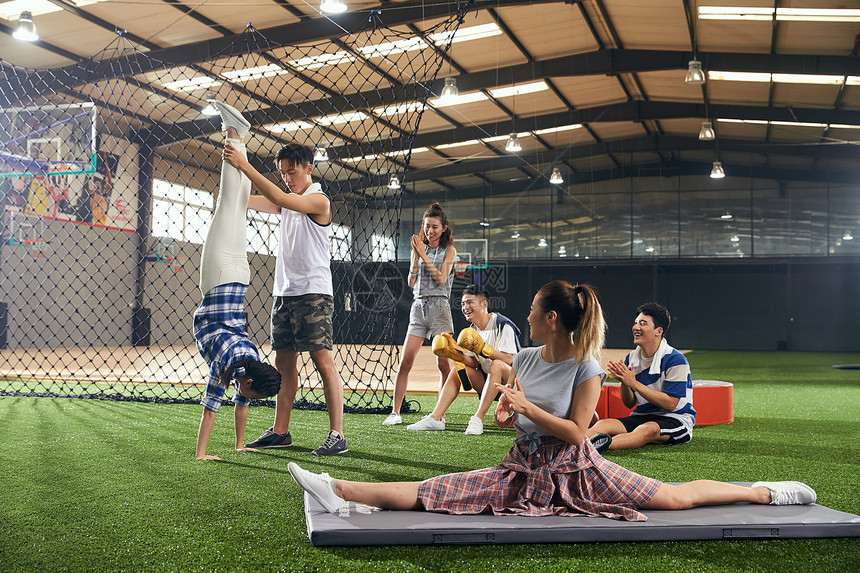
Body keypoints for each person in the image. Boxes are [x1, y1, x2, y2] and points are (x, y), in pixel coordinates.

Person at [287, 280, 816, 518]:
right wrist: (499, 404)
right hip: (522, 467)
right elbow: (501, 406)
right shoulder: (525, 359)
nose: (529, 316)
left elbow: (578, 433)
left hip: (580, 469)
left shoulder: (586, 367)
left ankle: (768, 494)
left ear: (553, 319)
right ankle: (337, 490)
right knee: (439, 489)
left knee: (675, 498)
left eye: (536, 311)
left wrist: (528, 409)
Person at [220, 105, 347, 456]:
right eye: (283, 173)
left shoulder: (317, 199)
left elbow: (277, 197)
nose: (287, 177)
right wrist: (230, 183)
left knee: (323, 361)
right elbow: (251, 200)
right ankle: (281, 431)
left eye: (292, 171)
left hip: (314, 294)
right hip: (285, 293)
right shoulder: (289, 201)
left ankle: (337, 434)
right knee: (284, 364)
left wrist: (243, 164)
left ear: (309, 169)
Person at [194, 100, 282, 461]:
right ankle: (234, 132)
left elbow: (240, 403)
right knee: (227, 205)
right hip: (218, 280)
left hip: (239, 280)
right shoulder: (231, 362)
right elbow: (210, 408)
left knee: (235, 204)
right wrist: (201, 454)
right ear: (248, 383)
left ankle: (239, 134)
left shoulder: (251, 362)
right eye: (251, 393)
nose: (248, 399)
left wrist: (238, 445)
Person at [407, 284, 521, 435]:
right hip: (491, 383)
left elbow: (510, 359)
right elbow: (474, 363)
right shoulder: (472, 330)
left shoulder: (502, 324)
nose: (465, 307)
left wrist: (484, 349)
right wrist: (454, 354)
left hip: (514, 385)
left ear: (484, 304)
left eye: (469, 302)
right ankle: (436, 418)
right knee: (457, 371)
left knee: (497, 364)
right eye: (463, 303)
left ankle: (478, 419)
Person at [382, 203, 456, 426]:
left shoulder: (449, 250)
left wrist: (423, 256)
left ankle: (438, 415)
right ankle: (395, 412)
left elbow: (441, 279)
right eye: (426, 226)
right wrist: (415, 260)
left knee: (443, 365)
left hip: (440, 309)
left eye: (434, 226)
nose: (429, 230)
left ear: (443, 228)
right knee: (405, 361)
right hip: (418, 308)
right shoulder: (419, 249)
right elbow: (411, 281)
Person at [586, 302, 696, 453]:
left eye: (643, 323)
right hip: (642, 416)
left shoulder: (675, 359)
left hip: (676, 418)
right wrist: (625, 383)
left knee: (646, 430)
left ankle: (594, 448)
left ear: (658, 331)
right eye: (636, 322)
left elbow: (671, 404)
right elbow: (629, 403)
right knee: (603, 424)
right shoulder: (631, 358)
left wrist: (634, 383)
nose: (636, 327)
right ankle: (571, 444)